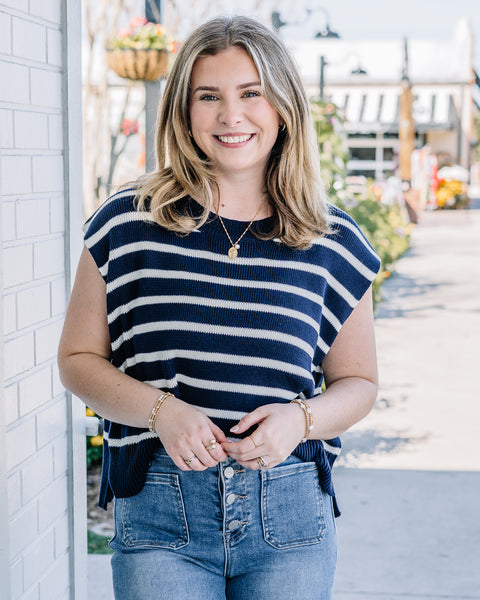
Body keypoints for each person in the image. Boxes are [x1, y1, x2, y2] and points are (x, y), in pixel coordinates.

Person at [58, 15, 380, 600]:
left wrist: (298, 421)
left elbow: (357, 383)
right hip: (160, 513)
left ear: (283, 107)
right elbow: (78, 359)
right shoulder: (128, 225)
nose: (232, 116)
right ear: (183, 110)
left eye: (251, 93)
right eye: (209, 96)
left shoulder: (332, 240)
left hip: (289, 520)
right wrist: (162, 412)